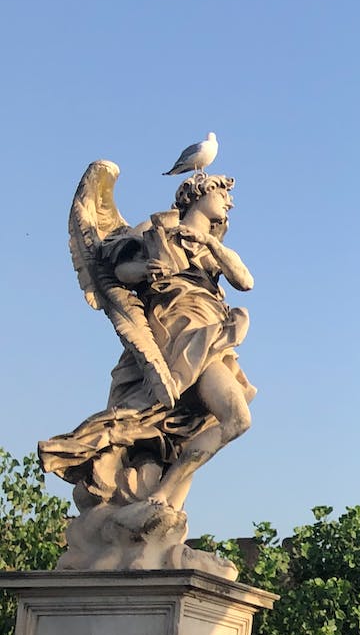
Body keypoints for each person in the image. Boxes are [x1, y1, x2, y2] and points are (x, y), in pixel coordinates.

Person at [45, 172, 255, 516]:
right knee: (234, 418)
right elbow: (118, 271)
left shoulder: (213, 246)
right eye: (221, 194)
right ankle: (162, 495)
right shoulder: (159, 228)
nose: (229, 202)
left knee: (219, 423)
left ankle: (168, 501)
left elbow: (245, 281)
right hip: (177, 331)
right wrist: (147, 269)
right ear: (197, 194)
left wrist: (210, 244)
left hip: (209, 330)